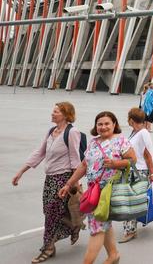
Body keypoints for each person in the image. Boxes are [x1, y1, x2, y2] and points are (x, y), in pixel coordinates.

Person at [57, 111, 136, 264]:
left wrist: (116, 163)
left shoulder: (121, 141)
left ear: (114, 124)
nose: (103, 127)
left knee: (97, 227)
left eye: (107, 123)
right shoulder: (93, 142)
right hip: (94, 190)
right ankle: (113, 255)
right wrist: (68, 184)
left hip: (109, 192)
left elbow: (132, 160)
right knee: (102, 223)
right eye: (100, 124)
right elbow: (84, 165)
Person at [13, 102, 82, 263]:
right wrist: (21, 171)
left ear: (65, 115)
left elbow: (75, 159)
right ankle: (74, 226)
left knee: (51, 214)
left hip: (63, 179)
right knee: (49, 212)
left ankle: (48, 247)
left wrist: (75, 183)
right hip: (50, 179)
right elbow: (40, 152)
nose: (52, 113)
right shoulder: (52, 131)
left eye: (56, 111)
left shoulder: (72, 132)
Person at [120, 108, 153, 243]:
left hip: (139, 171)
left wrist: (152, 173)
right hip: (132, 170)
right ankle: (130, 229)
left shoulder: (143, 133)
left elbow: (148, 155)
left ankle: (130, 231)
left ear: (131, 120)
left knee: (130, 201)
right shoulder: (135, 132)